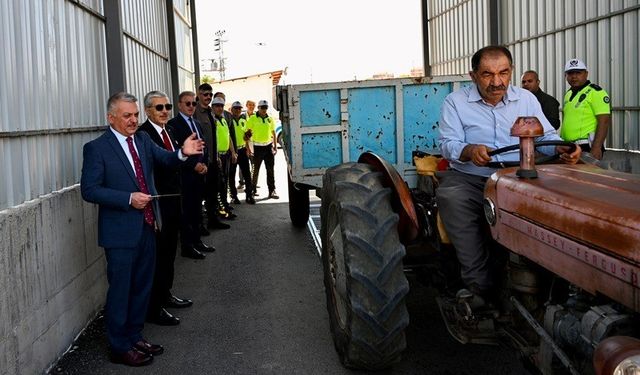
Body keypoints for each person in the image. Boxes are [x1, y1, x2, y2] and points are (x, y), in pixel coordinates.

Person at [437, 46, 581, 306]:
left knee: (565, 202)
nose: (497, 82)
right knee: (452, 198)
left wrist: (561, 146)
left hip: (521, 174)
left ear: (511, 71)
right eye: (487, 74)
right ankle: (479, 286)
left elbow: (546, 137)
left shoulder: (526, 99)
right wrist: (469, 150)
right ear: (473, 76)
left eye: (503, 73)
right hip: (472, 177)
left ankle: (558, 283)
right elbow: (448, 144)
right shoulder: (455, 102)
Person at [81, 92, 203, 366]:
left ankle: (134, 336)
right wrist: (127, 199)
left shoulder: (144, 140)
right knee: (121, 289)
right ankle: (119, 346)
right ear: (111, 118)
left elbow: (166, 159)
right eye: (127, 115)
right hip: (120, 233)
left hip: (148, 227)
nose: (134, 120)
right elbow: (89, 190)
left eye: (135, 114)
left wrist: (183, 152)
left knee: (141, 288)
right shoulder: (96, 148)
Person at [137, 91, 192, 327]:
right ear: (148, 110)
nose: (165, 112)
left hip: (174, 199)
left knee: (170, 253)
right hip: (158, 203)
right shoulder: (143, 134)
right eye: (159, 108)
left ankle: (166, 294)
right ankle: (154, 306)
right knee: (158, 257)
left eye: (168, 107)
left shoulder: (168, 130)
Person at [167, 91, 216, 259]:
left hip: (200, 174)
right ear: (179, 104)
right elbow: (175, 151)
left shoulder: (196, 123)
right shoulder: (173, 124)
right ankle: (187, 246)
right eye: (187, 103)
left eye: (193, 103)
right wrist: (194, 165)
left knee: (196, 210)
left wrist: (205, 163)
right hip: (185, 176)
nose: (191, 106)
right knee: (187, 212)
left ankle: (197, 241)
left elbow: (204, 145)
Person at [193, 83, 230, 230]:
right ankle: (200, 225)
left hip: (213, 159)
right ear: (199, 94)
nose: (208, 97)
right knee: (199, 194)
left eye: (210, 94)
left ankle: (213, 220)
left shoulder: (211, 112)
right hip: (202, 161)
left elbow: (213, 137)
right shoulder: (195, 112)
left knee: (213, 192)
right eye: (205, 94)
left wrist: (216, 157)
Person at [561, 58, 611, 160]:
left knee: (587, 175)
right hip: (569, 147)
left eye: (578, 73)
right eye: (570, 73)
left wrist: (596, 147)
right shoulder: (568, 94)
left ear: (586, 74)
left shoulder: (596, 92)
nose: (574, 77)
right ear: (565, 76)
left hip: (587, 147)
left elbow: (604, 121)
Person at [247, 99, 279, 199]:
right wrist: (248, 148)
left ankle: (272, 190)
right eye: (262, 108)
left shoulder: (270, 119)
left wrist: (274, 145)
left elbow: (273, 132)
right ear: (258, 108)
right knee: (255, 170)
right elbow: (247, 134)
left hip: (268, 147)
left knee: (270, 170)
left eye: (265, 108)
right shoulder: (252, 119)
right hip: (257, 148)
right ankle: (252, 191)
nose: (264, 110)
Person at [212, 96, 238, 217]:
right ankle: (221, 210)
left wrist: (233, 152)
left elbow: (229, 138)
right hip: (217, 157)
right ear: (212, 107)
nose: (220, 108)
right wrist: (215, 155)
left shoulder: (223, 120)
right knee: (218, 184)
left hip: (226, 156)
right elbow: (211, 140)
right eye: (217, 106)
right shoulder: (212, 121)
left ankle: (224, 205)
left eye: (221, 106)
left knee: (225, 182)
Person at [229, 101, 256, 204]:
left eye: (239, 108)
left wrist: (248, 147)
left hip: (242, 150)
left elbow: (246, 136)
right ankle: (234, 196)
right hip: (232, 151)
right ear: (232, 109)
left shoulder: (243, 120)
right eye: (235, 108)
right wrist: (231, 152)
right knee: (232, 175)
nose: (238, 110)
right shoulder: (229, 120)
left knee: (247, 174)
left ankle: (249, 195)